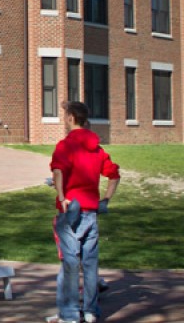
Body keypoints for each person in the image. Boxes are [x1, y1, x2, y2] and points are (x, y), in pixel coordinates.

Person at [47, 101, 120, 323]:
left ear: (70, 118)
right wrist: (106, 199)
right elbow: (114, 175)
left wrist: (61, 196)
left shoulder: (65, 146)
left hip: (71, 211)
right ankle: (90, 312)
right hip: (91, 211)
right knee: (89, 265)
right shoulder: (97, 149)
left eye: (65, 115)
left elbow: (59, 170)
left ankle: (68, 316)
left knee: (69, 265)